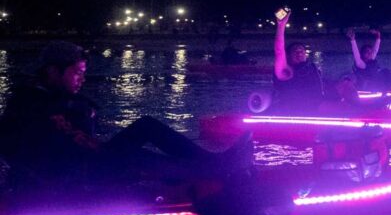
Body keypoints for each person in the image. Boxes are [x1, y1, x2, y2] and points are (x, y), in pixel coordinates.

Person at [0, 42, 251, 195]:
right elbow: (69, 144)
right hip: (65, 179)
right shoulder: (32, 104)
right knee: (130, 156)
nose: (82, 79)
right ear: (53, 71)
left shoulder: (50, 99)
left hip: (78, 165)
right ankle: (210, 169)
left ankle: (211, 163)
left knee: (145, 126)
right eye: (77, 72)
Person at [273, 8, 324, 113]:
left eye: (301, 51)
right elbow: (279, 51)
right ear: (288, 56)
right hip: (298, 108)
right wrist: (281, 25)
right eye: (295, 51)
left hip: (317, 105)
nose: (299, 53)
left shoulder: (311, 67)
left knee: (345, 85)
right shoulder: (286, 71)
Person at [346, 28, 391, 92]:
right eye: (367, 52)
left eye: (370, 52)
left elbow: (375, 50)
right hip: (371, 85)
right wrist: (353, 40)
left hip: (379, 82)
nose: (369, 53)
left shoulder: (371, 60)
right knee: (386, 73)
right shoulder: (361, 64)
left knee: (387, 73)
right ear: (362, 53)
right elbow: (356, 54)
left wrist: (378, 36)